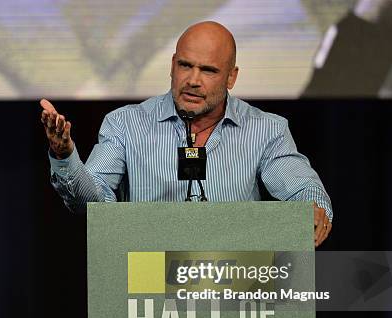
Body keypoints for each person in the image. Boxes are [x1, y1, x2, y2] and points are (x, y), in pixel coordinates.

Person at [40, 21, 333, 247]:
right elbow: (91, 205)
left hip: (233, 288)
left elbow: (302, 189)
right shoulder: (125, 125)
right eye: (185, 66)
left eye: (208, 70)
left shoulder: (266, 130)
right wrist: (65, 156)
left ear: (231, 77)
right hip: (144, 290)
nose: (193, 80)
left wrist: (313, 210)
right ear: (172, 66)